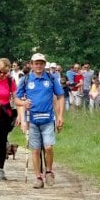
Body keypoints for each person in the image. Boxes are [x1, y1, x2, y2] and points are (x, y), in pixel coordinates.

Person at [15, 53, 64, 189]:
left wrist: (60, 116)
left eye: (41, 63)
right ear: (31, 64)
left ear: (44, 64)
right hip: (32, 120)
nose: (39, 65)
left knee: (48, 147)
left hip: (48, 119)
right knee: (35, 150)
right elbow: (17, 100)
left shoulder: (51, 78)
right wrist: (24, 103)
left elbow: (60, 96)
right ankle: (38, 177)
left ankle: (48, 171)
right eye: (36, 63)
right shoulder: (25, 80)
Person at [0, 58, 18, 180]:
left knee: (3, 141)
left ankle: (1, 168)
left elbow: (16, 98)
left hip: (5, 114)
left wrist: (20, 112)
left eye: (5, 73)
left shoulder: (10, 81)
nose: (2, 75)